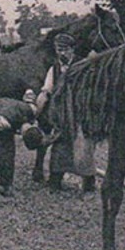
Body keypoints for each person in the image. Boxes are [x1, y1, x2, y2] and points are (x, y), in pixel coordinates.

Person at [35, 31, 95, 192]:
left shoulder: (84, 66)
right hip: (62, 116)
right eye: (58, 49)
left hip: (81, 115)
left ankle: (89, 183)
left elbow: (91, 90)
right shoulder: (54, 69)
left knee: (84, 148)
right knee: (60, 147)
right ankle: (55, 181)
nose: (61, 53)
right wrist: (36, 111)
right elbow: (46, 91)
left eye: (64, 49)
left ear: (72, 49)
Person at [0, 90, 43, 197]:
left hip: (5, 115)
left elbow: (29, 95)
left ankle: (6, 185)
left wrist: (29, 92)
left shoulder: (32, 111)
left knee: (9, 153)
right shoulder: (4, 122)